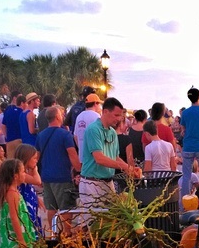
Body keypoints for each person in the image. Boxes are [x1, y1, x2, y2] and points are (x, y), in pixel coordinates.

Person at [79, 97, 133, 210]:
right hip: (91, 184)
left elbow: (115, 157)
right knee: (91, 224)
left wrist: (130, 169)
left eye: (120, 116)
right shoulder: (93, 130)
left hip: (108, 183)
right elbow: (99, 159)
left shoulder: (113, 132)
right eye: (116, 115)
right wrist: (124, 166)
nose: (119, 119)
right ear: (105, 112)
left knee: (110, 221)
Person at [36, 106, 81, 235]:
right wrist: (79, 170)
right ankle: (67, 233)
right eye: (61, 114)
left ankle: (54, 233)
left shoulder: (41, 135)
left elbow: (36, 157)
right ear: (57, 117)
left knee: (51, 208)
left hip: (46, 177)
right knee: (66, 208)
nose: (62, 116)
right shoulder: (65, 134)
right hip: (62, 177)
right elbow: (72, 155)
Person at [14, 144, 44, 235]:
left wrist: (36, 197)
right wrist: (35, 170)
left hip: (30, 203)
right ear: (26, 158)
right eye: (34, 158)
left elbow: (30, 187)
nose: (37, 160)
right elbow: (37, 181)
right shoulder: (19, 172)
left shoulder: (25, 171)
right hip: (24, 205)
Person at [73, 93, 102, 162]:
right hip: (93, 159)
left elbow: (75, 136)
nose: (100, 106)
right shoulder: (96, 116)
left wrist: (81, 147)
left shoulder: (79, 116)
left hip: (82, 157)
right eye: (99, 104)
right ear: (95, 103)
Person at [2, 92, 26, 158]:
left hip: (10, 140)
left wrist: (6, 136)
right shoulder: (23, 113)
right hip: (20, 139)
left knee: (10, 161)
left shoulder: (8, 110)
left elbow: (3, 125)